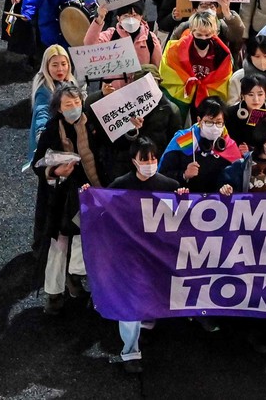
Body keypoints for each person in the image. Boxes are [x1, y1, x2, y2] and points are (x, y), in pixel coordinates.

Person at [104, 137, 181, 373]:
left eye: (153, 157)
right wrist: (89, 195)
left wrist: (183, 198)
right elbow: (101, 210)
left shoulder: (169, 185)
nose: (150, 162)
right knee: (129, 303)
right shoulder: (119, 186)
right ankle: (130, 353)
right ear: (133, 161)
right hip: (128, 256)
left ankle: (146, 324)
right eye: (144, 159)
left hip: (156, 255)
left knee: (151, 294)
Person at [32, 84, 104, 314]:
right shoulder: (53, 129)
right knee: (59, 242)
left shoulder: (94, 121)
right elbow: (37, 164)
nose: (73, 107)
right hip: (63, 197)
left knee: (91, 238)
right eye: (67, 104)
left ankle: (80, 279)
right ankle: (53, 293)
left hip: (93, 191)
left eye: (76, 102)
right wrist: (54, 172)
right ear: (58, 109)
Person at [156, 7, 233, 118]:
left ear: (214, 33)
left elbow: (223, 79)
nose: (203, 38)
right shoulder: (175, 49)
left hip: (208, 97)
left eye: (207, 35)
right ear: (191, 32)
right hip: (182, 95)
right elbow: (168, 73)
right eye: (199, 35)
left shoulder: (222, 54)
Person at [158, 97, 243, 193]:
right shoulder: (183, 140)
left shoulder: (229, 145)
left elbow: (239, 181)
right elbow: (162, 175)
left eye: (219, 122)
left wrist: (228, 188)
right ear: (199, 120)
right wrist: (184, 175)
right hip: (184, 201)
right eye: (209, 122)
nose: (214, 127)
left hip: (217, 204)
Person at [29, 44, 78, 155]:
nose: (60, 69)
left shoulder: (70, 82)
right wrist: (41, 132)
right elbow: (42, 111)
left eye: (63, 64)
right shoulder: (44, 90)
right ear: (47, 66)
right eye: (55, 65)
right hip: (55, 139)